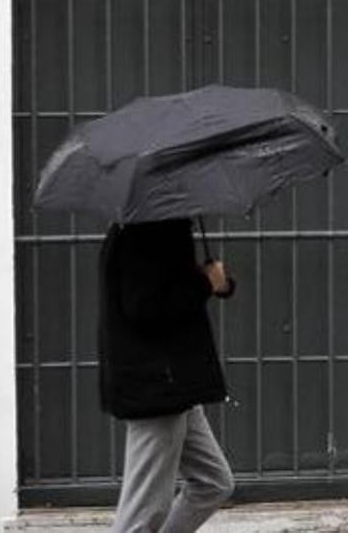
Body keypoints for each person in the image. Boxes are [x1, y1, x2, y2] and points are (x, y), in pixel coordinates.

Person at [98, 217, 236, 533]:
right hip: (157, 387)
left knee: (213, 483)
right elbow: (143, 307)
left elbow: (165, 288)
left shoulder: (156, 226)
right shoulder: (146, 230)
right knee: (142, 516)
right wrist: (204, 285)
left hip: (175, 384)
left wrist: (216, 282)